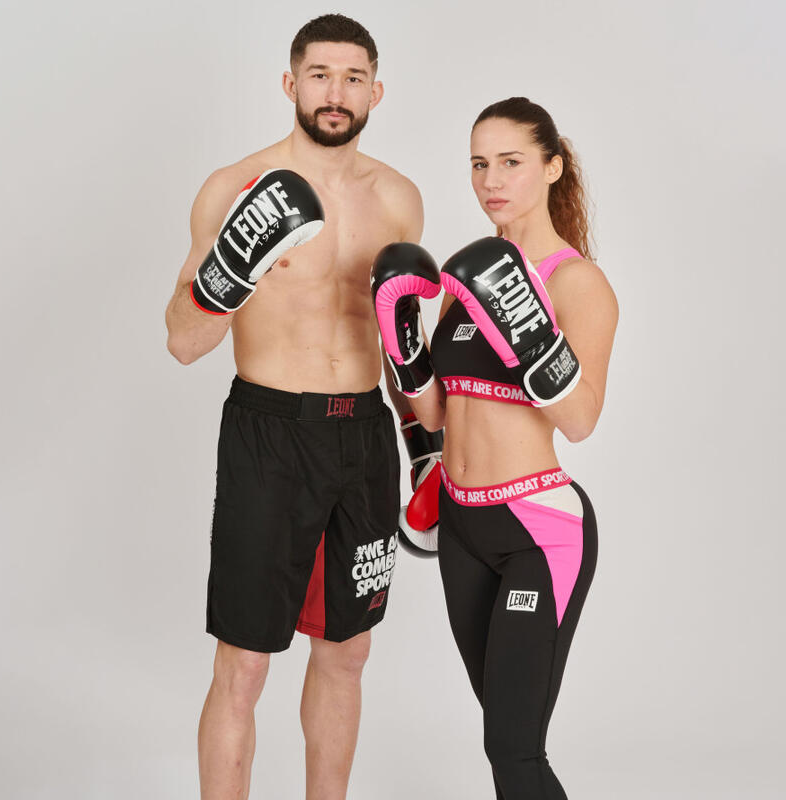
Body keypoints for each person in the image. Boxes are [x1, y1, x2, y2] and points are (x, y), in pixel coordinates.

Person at [165, 14, 423, 800]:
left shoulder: (400, 200)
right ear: (290, 83)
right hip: (269, 433)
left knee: (347, 652)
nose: (334, 93)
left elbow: (402, 344)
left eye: (351, 78)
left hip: (365, 439)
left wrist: (428, 448)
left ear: (376, 89)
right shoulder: (231, 186)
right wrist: (228, 273)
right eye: (319, 75)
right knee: (244, 660)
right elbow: (181, 340)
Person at [372, 96, 618, 799]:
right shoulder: (461, 277)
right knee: (502, 738)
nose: (491, 181)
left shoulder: (578, 283)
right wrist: (405, 348)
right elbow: (438, 413)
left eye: (510, 162)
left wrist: (530, 331)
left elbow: (581, 420)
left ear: (551, 167)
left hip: (536, 533)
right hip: (463, 527)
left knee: (515, 750)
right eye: (480, 164)